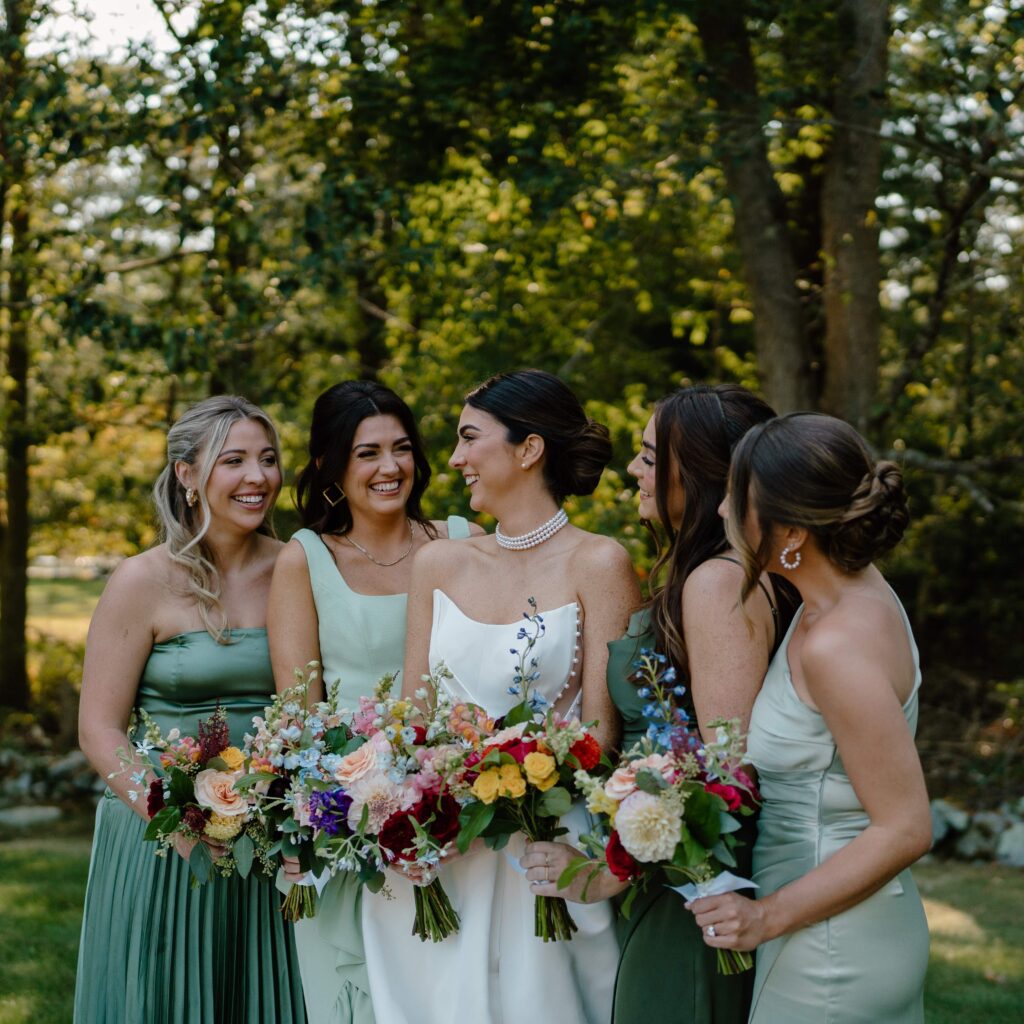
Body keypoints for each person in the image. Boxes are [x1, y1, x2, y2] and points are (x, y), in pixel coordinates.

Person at [360, 369, 640, 1024]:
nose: (455, 458)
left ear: (529, 448)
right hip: (444, 854)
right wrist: (419, 810)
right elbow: (413, 718)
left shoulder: (600, 564)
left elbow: (602, 734)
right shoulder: (440, 563)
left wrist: (517, 788)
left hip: (544, 852)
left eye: (469, 438)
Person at [523, 384, 796, 1024]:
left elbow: (726, 774)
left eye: (649, 457)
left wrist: (607, 872)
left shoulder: (719, 581)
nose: (632, 470)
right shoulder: (704, 571)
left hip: (692, 887)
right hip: (666, 874)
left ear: (699, 473)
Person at [687, 412, 932, 1023]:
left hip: (829, 945)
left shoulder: (836, 645)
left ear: (792, 531)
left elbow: (906, 827)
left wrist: (765, 917)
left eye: (737, 498)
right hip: (840, 918)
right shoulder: (851, 593)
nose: (722, 510)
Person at [75, 395, 306, 1023]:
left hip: (272, 833)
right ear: (187, 474)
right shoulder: (140, 581)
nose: (257, 477)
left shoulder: (296, 567)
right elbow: (98, 729)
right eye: (234, 461)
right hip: (162, 833)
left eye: (268, 459)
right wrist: (173, 822)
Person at [267, 380, 481, 1024]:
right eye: (367, 453)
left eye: (402, 448)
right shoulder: (305, 558)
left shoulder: (465, 541)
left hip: (457, 820)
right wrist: (323, 813)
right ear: (331, 467)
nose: (390, 467)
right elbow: (298, 715)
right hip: (347, 827)